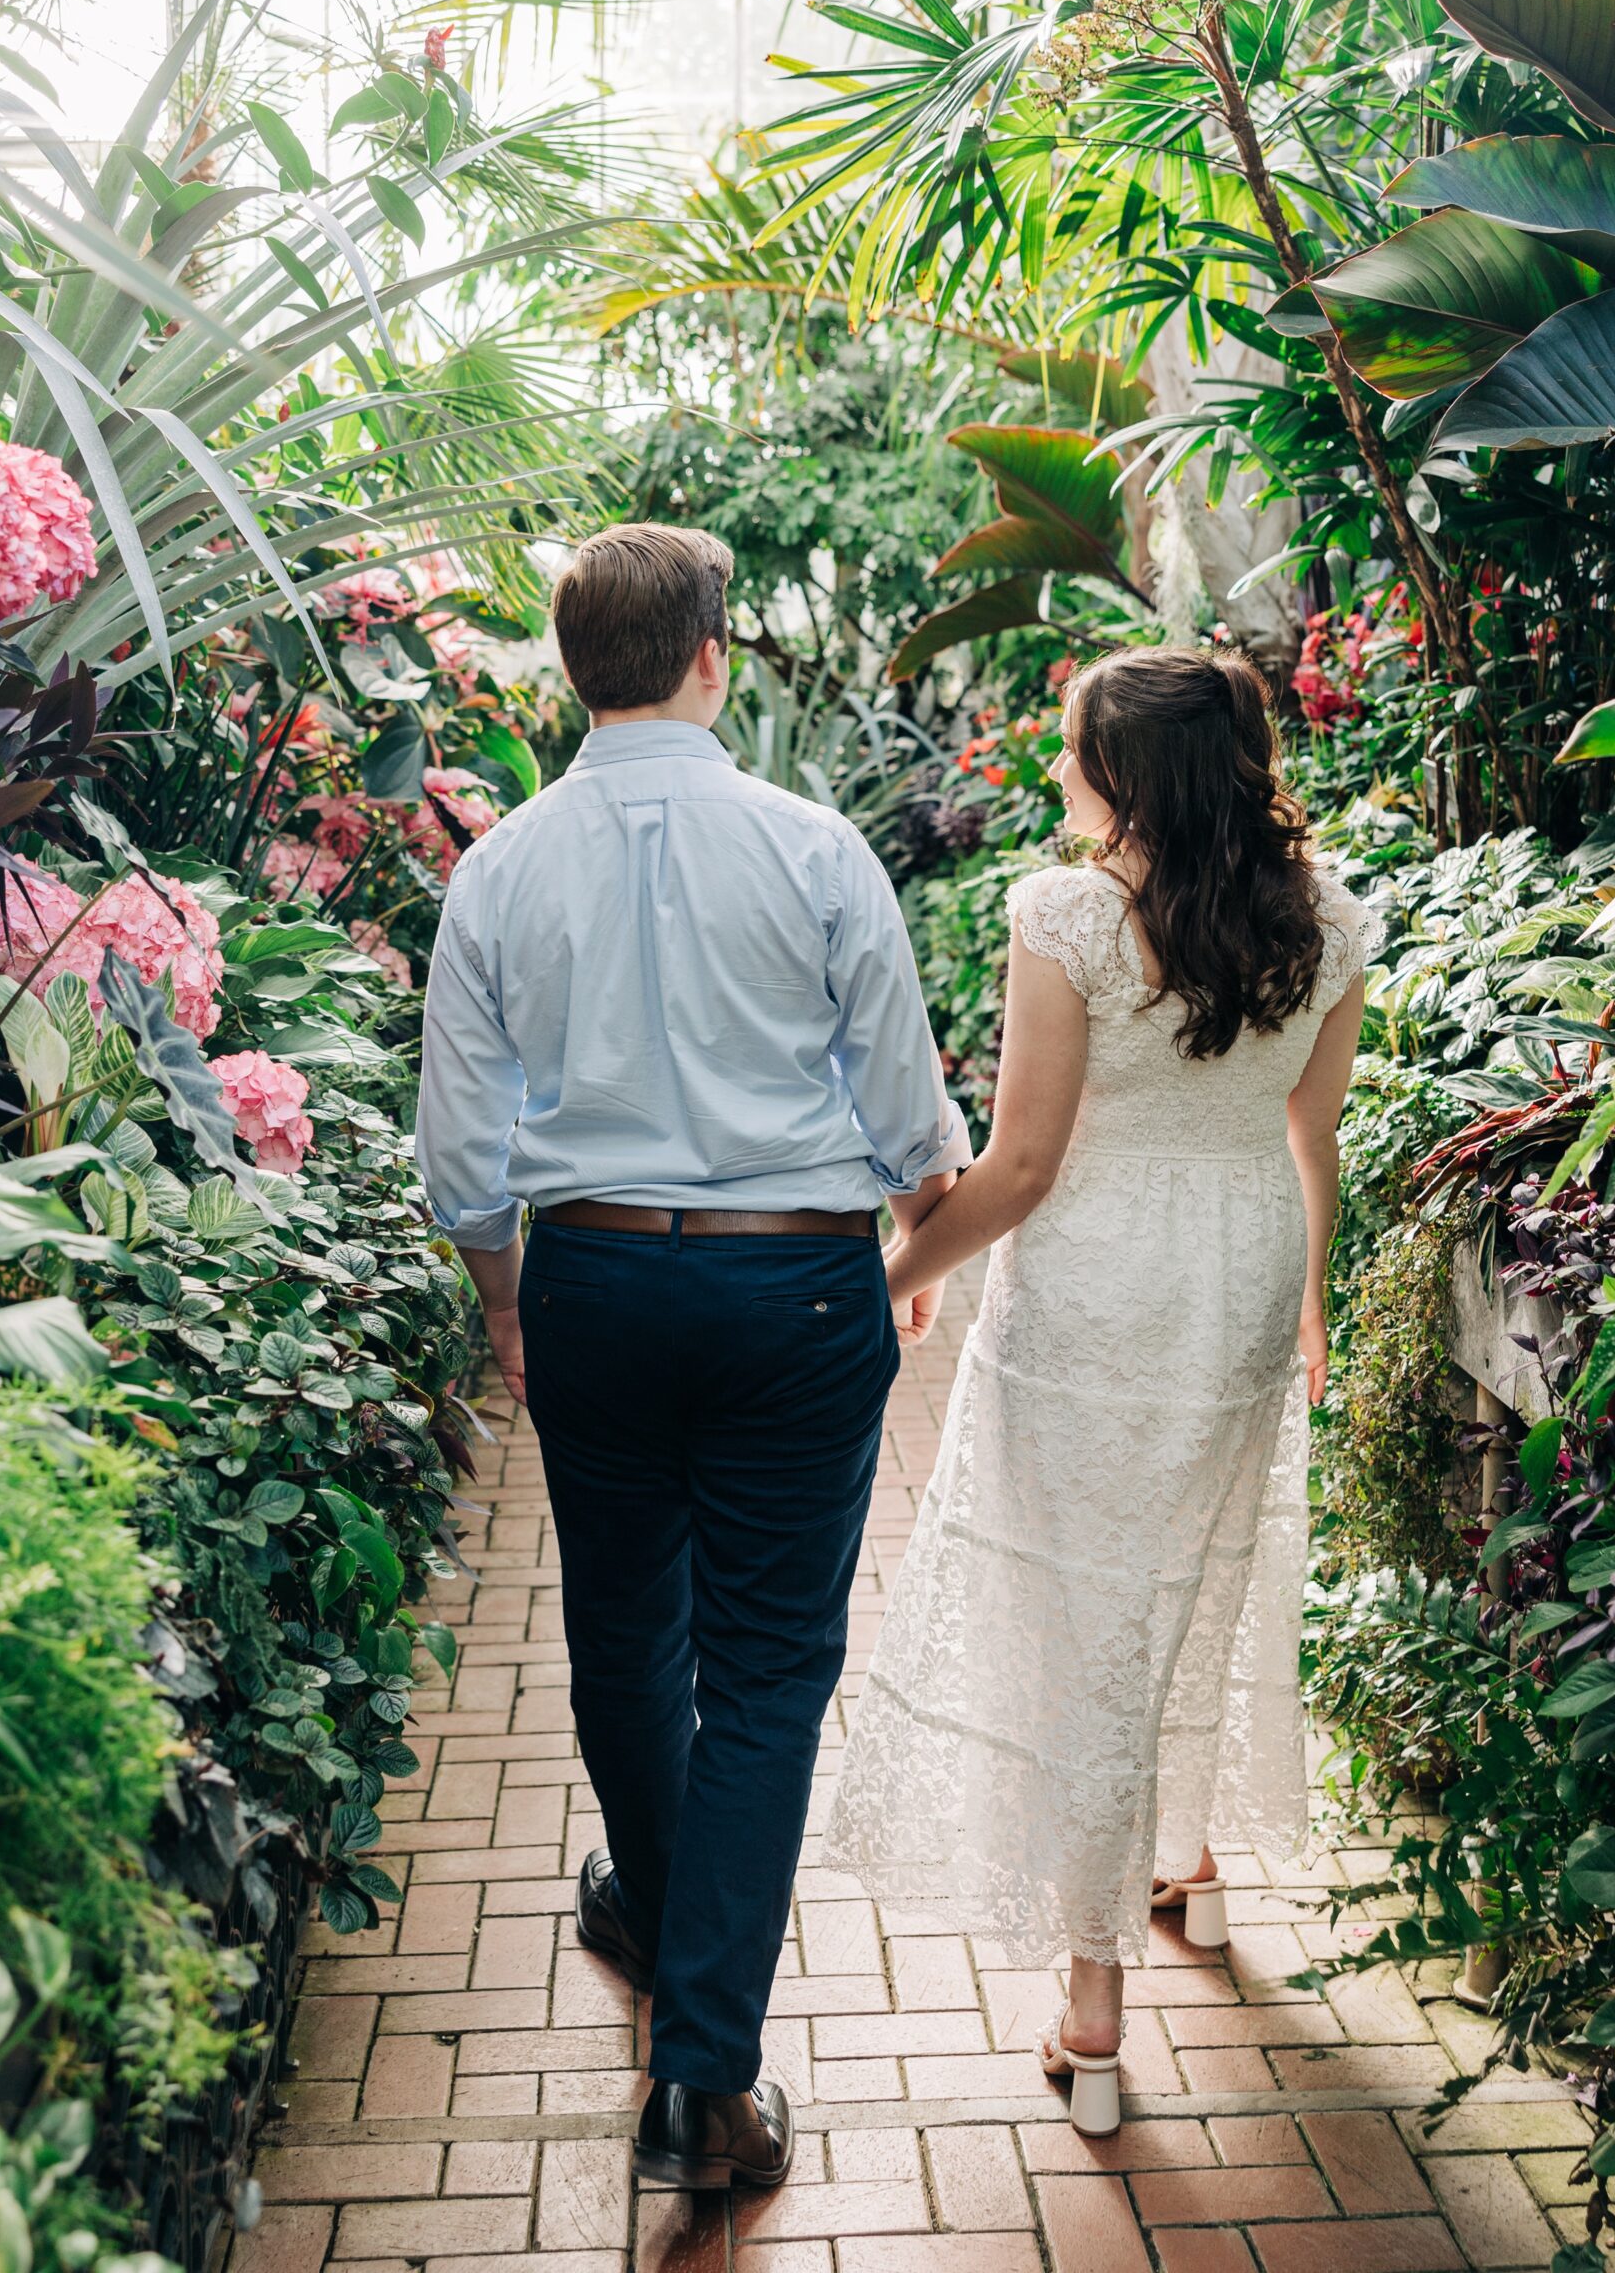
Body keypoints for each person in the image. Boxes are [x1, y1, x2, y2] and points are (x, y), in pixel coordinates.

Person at [415, 525, 970, 2191]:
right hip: (792, 1289)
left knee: (622, 1627)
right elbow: (905, 1112)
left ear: (573, 673)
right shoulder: (813, 849)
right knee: (769, 1670)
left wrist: (510, 1297)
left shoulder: (496, 868)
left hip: (589, 1275)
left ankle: (655, 1910)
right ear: (713, 656)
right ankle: (704, 2083)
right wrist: (906, 1247)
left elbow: (461, 1152)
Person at [824, 643, 1366, 2137]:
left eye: (1072, 750)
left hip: (1099, 1291)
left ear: (1123, 774)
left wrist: (889, 1269)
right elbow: (1306, 1144)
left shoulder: (1066, 914)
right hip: (1243, 1267)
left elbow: (1024, 1167)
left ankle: (1095, 2006)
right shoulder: (1328, 919)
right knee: (1189, 1569)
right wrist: (1311, 1297)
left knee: (1089, 1614)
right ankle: (1180, 1858)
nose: (1058, 773)